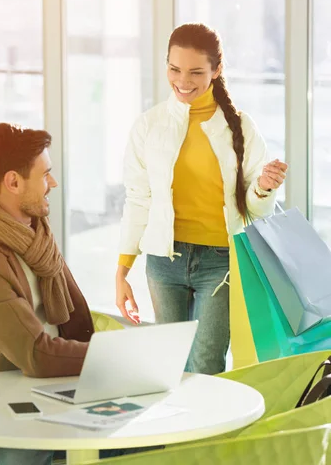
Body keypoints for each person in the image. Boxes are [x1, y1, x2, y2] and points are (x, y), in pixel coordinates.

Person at [116, 23, 288, 375]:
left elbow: (254, 210)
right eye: (174, 69)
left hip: (220, 263)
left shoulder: (241, 127)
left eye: (196, 72)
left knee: (206, 364)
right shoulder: (148, 126)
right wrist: (122, 271)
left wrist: (264, 188)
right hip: (164, 262)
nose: (183, 80)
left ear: (216, 70)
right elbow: (138, 200)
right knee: (168, 367)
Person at [0, 123, 93, 465]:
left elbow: (77, 322)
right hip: (3, 409)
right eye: (46, 175)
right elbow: (36, 354)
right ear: (13, 182)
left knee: (142, 440)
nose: (52, 184)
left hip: (58, 388)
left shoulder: (35, 234)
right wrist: (110, 360)